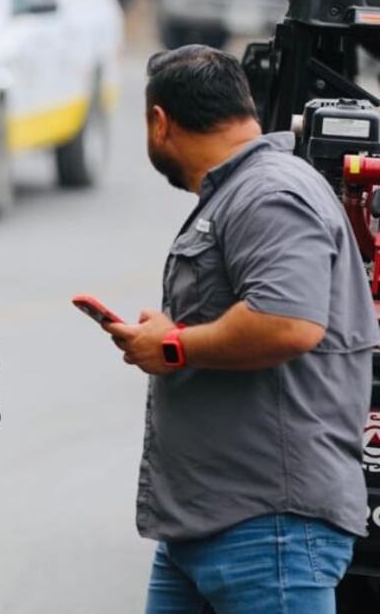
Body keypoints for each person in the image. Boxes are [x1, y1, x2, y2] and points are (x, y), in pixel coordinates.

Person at [102, 44, 375, 612]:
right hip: (204, 526)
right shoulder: (242, 192)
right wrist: (177, 331)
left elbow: (287, 323)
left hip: (268, 529)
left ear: (160, 122)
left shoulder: (269, 192)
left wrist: (174, 345)